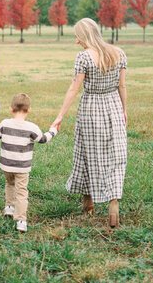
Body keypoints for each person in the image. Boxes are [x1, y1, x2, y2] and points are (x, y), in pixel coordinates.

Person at [52, 18, 127, 229]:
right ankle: (113, 204)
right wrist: (124, 111)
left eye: (77, 36)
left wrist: (59, 116)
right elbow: (122, 87)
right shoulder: (119, 53)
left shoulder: (84, 57)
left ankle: (89, 204)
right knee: (115, 156)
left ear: (85, 35)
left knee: (87, 152)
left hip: (91, 108)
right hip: (113, 107)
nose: (76, 41)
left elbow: (74, 89)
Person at [0, 93, 58, 232]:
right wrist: (53, 131)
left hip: (6, 165)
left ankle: (9, 207)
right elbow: (43, 139)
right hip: (22, 167)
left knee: (9, 183)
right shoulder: (31, 127)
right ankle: (21, 220)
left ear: (11, 109)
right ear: (29, 110)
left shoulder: (5, 124)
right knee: (21, 192)